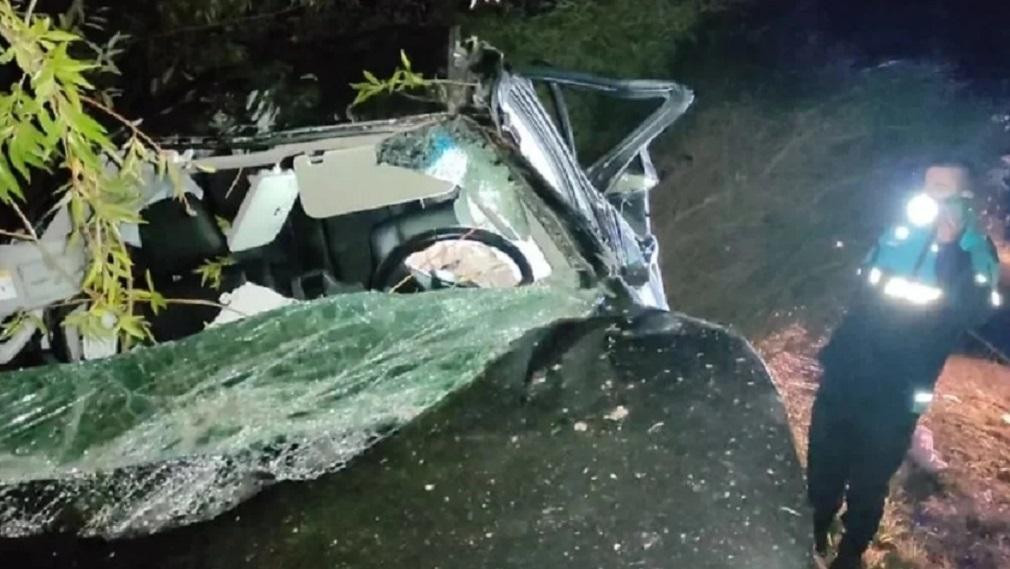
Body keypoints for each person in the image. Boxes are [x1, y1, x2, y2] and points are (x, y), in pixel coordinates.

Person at [806, 160, 1000, 569]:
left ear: (964, 199)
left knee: (869, 480)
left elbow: (974, 310)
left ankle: (851, 554)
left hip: (897, 389)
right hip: (849, 370)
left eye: (942, 188)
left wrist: (951, 249)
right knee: (824, 463)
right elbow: (862, 288)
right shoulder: (897, 233)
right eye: (928, 185)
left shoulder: (975, 250)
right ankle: (814, 535)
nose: (930, 195)